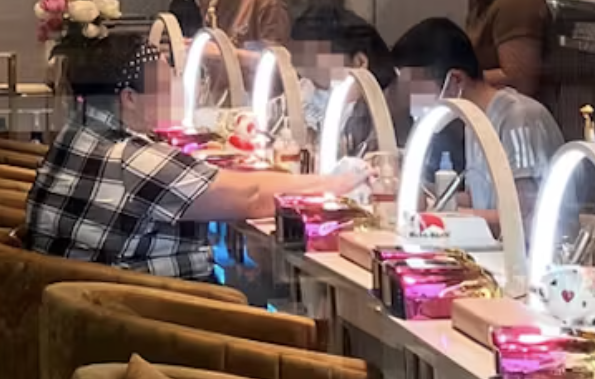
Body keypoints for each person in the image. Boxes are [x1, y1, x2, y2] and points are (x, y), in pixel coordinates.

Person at [23, 36, 367, 280]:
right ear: (129, 98)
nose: (177, 90)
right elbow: (252, 196)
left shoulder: (77, 132)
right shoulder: (132, 161)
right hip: (152, 320)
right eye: (165, 84)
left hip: (92, 305)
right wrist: (336, 183)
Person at [387, 16, 563, 217]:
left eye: (419, 92)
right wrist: (424, 194)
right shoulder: (473, 121)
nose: (414, 104)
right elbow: (480, 198)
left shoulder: (519, 119)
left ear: (455, 80)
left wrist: (443, 215)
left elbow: (522, 215)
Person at [286, 3, 393, 162]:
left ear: (359, 62)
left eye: (314, 63)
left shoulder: (381, 112)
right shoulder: (308, 86)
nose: (308, 81)